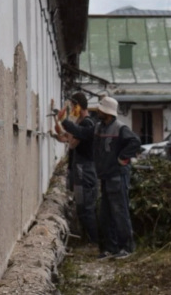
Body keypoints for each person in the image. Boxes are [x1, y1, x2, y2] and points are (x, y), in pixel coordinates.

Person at [62, 96, 141, 260]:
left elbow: (135, 142)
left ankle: (126, 247)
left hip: (117, 177)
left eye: (101, 109)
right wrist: (64, 121)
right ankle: (109, 248)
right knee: (105, 215)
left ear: (108, 113)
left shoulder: (120, 128)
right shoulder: (98, 127)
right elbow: (81, 132)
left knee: (119, 212)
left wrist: (122, 157)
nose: (98, 111)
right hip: (106, 177)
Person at [55, 93, 99, 244]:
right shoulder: (81, 123)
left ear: (79, 106)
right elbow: (70, 140)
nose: (72, 109)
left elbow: (73, 143)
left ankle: (94, 241)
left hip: (85, 171)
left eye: (73, 106)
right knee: (81, 207)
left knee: (86, 208)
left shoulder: (87, 124)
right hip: (81, 170)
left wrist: (66, 122)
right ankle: (88, 239)